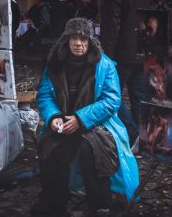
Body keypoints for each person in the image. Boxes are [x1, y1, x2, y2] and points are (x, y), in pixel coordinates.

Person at [32, 18, 139, 217]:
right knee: (51, 146)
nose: (78, 43)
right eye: (74, 37)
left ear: (90, 41)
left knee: (92, 149)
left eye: (83, 38)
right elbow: (45, 94)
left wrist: (81, 119)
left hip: (97, 124)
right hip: (63, 121)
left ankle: (99, 205)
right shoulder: (55, 63)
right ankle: (54, 203)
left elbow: (112, 100)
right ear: (67, 40)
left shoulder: (104, 65)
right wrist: (53, 116)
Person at [100, 0, 158, 145]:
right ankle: (140, 137)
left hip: (121, 55)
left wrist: (105, 56)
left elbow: (111, 26)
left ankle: (132, 132)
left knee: (110, 94)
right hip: (144, 54)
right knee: (139, 97)